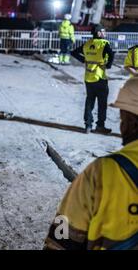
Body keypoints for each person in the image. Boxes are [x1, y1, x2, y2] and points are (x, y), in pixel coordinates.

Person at [44, 78, 138, 250]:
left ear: (131, 120)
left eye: (122, 117)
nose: (121, 124)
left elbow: (63, 234)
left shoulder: (102, 172)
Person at [71, 24, 115, 134]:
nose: (105, 33)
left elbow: (74, 52)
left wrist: (84, 60)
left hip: (89, 77)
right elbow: (111, 54)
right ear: (99, 33)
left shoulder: (87, 44)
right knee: (102, 103)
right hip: (100, 77)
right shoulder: (104, 44)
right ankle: (100, 126)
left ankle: (88, 126)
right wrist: (108, 65)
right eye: (103, 31)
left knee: (89, 101)